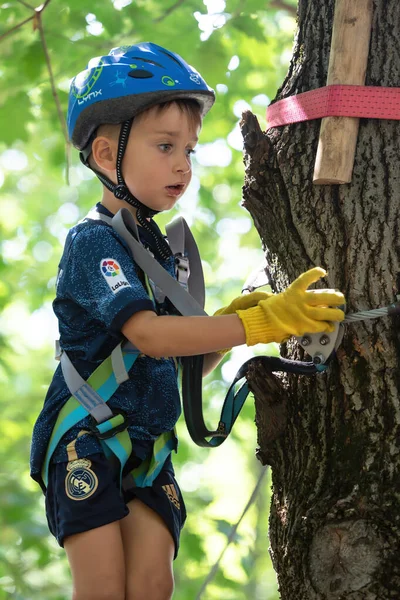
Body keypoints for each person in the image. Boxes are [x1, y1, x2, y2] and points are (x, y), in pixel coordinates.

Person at [30, 42, 345, 600]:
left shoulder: (156, 248)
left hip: (149, 447)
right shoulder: (94, 241)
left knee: (152, 585)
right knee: (103, 587)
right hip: (86, 440)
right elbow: (148, 335)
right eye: (165, 146)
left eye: (190, 151)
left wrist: (228, 324)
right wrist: (260, 324)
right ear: (106, 155)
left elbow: (177, 359)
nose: (183, 164)